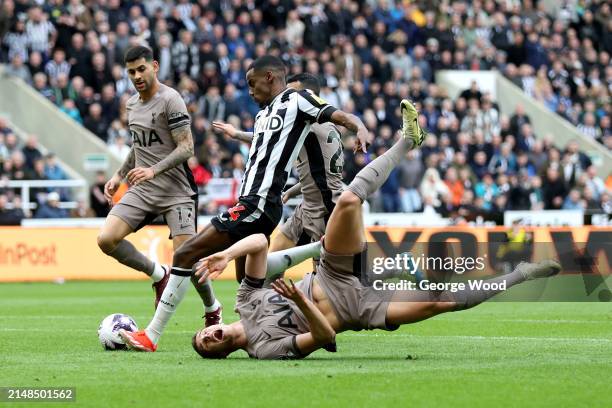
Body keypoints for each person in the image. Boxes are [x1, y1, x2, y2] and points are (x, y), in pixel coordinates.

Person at [123, 100, 559, 358]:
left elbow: (257, 242)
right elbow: (327, 340)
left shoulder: (245, 299)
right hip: (358, 309)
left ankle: (408, 140)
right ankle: (519, 275)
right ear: (223, 352)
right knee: (444, 302)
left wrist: (226, 254)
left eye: (203, 334)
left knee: (349, 199)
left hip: (333, 273)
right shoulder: (264, 350)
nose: (212, 335)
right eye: (212, 344)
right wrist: (300, 301)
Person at [120, 55, 369, 351]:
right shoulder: (264, 115)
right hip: (256, 203)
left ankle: (152, 335)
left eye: (252, 84)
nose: (249, 91)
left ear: (270, 78)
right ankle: (296, 295)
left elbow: (338, 115)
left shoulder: (298, 99)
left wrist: (360, 128)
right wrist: (236, 134)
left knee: (185, 253)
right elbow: (266, 144)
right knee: (249, 283)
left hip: (258, 202)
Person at [97, 46, 207, 311]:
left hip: (176, 191)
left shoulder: (172, 99)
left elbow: (187, 147)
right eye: (131, 71)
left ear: (154, 66)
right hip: (144, 189)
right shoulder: (131, 104)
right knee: (106, 239)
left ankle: (212, 308)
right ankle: (159, 274)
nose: (136, 75)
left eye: (141, 69)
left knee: (187, 259)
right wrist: (119, 175)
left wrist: (153, 170)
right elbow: (139, 146)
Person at [212, 73, 344, 266]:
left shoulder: (309, 123)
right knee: (272, 260)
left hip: (324, 208)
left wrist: (237, 134)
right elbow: (319, 173)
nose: (287, 97)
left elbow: (271, 135)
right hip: (308, 205)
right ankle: (266, 295)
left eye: (292, 92)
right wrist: (291, 191)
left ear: (308, 95)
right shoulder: (326, 125)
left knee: (325, 279)